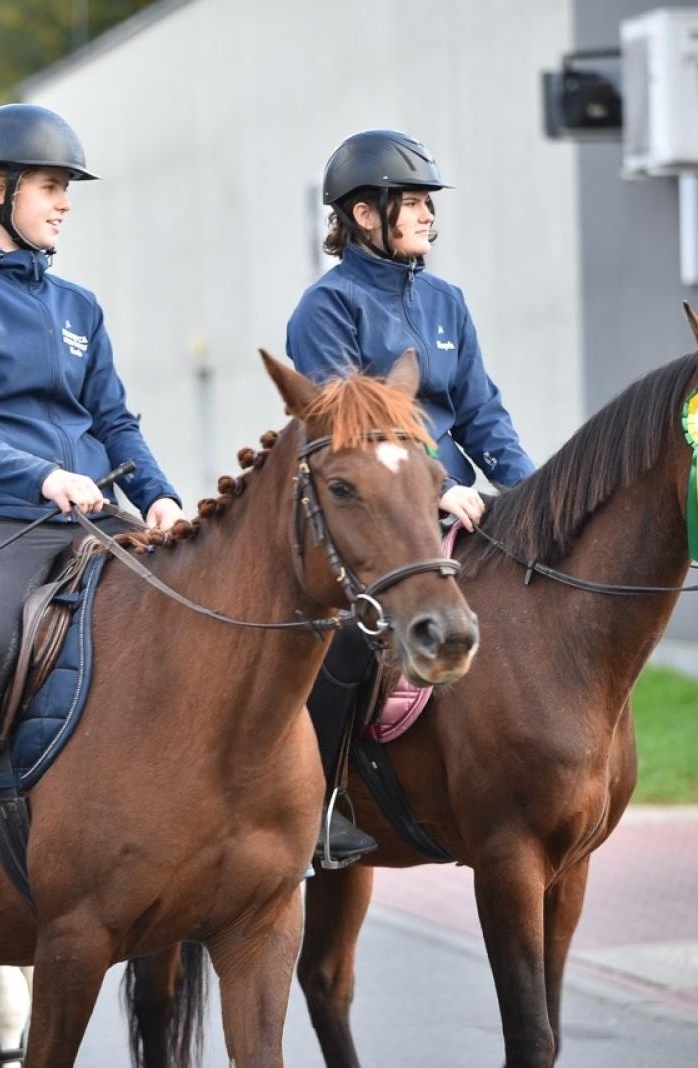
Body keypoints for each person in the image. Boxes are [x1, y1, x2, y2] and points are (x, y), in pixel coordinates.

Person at [0, 103, 184, 901]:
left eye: (66, 188)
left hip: (95, 514)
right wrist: (41, 475)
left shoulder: (79, 306)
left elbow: (116, 420)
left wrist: (159, 497)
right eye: (51, 186)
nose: (65, 203)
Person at [286, 129, 535, 866]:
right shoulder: (323, 309)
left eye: (430, 204)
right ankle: (321, 798)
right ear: (367, 214)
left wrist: (530, 493)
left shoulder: (447, 301)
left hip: (465, 504)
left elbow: (483, 411)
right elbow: (350, 435)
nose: (430, 217)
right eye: (416, 204)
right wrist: (443, 489)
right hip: (375, 513)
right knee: (350, 637)